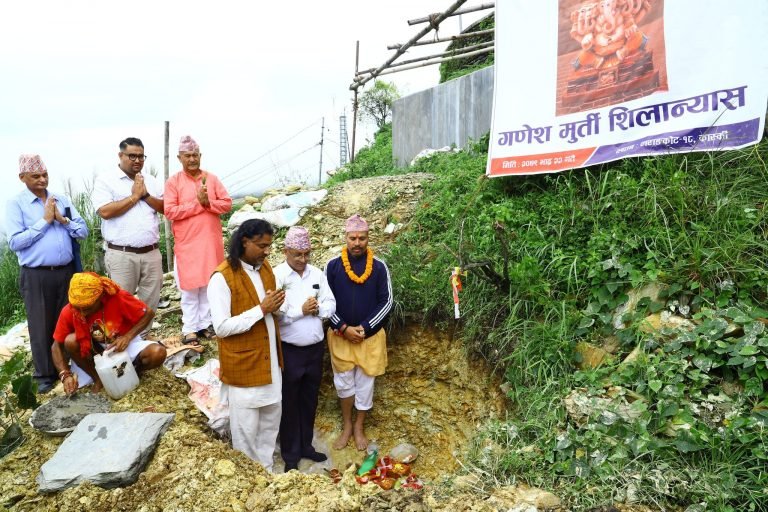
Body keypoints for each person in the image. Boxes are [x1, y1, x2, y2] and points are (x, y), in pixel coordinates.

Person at [5, 154, 89, 393]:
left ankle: (74, 366)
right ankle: (45, 375)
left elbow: (82, 231)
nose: (42, 180)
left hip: (66, 272)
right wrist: (44, 222)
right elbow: (15, 242)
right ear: (22, 178)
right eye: (36, 176)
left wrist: (63, 221)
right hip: (37, 274)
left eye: (45, 175)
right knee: (41, 324)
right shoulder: (16, 204)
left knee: (70, 320)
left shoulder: (61, 199)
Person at [208, 219, 285, 471]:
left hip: (271, 364)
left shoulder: (265, 269)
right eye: (262, 245)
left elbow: (271, 312)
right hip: (244, 368)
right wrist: (261, 310)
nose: (266, 251)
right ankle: (251, 481)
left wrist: (277, 307)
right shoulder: (222, 278)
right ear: (244, 242)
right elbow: (221, 328)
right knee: (246, 435)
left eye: (269, 246)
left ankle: (268, 475)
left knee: (269, 427)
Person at [325, 214, 393, 451]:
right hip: (341, 336)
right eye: (352, 238)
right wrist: (343, 327)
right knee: (344, 385)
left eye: (361, 238)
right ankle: (346, 425)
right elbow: (325, 303)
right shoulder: (333, 266)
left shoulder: (379, 266)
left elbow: (387, 301)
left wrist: (364, 327)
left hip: (369, 338)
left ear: (368, 238)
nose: (356, 243)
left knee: (365, 386)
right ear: (345, 237)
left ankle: (359, 427)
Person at [273, 226, 336, 471]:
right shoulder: (277, 276)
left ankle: (307, 446)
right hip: (290, 350)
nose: (303, 259)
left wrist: (318, 309)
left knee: (309, 400)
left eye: (307, 254)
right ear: (286, 251)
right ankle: (290, 455)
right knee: (289, 402)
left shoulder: (317, 274)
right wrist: (301, 310)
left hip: (314, 349)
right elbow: (276, 313)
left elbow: (331, 304)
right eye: (297, 254)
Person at [51, 272, 167, 395]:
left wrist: (128, 336)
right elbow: (56, 346)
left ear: (101, 297)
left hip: (122, 345)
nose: (82, 313)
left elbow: (148, 313)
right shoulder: (70, 310)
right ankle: (98, 379)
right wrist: (65, 374)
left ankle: (130, 372)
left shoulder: (118, 297)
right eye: (77, 308)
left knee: (157, 353)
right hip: (94, 354)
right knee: (70, 341)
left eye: (87, 308)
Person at [165, 135, 232, 345]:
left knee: (209, 285)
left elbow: (227, 204)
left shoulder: (211, 178)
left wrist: (209, 203)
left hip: (210, 243)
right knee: (190, 288)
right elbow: (170, 211)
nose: (192, 159)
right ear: (180, 158)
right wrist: (199, 204)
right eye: (188, 156)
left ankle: (205, 324)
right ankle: (189, 328)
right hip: (188, 244)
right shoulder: (173, 182)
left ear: (200, 156)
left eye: (195, 155)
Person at [93, 137, 165, 317]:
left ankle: (143, 340)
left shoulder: (151, 180)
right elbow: (105, 211)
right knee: (120, 303)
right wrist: (134, 197)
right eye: (132, 156)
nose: (137, 160)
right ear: (120, 155)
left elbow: (165, 208)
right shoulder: (106, 180)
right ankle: (123, 342)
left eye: (141, 156)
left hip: (151, 252)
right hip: (122, 254)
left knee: (150, 302)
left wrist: (145, 194)